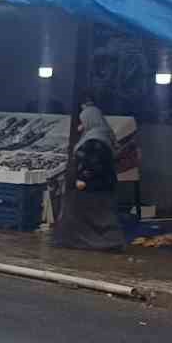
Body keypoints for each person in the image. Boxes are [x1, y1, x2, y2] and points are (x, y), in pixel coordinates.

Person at [52, 102, 124, 251]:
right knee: (96, 216)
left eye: (83, 121)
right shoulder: (101, 135)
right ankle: (87, 242)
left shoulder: (95, 140)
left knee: (93, 216)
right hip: (100, 185)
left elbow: (93, 162)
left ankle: (101, 243)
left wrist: (83, 179)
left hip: (91, 187)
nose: (81, 124)